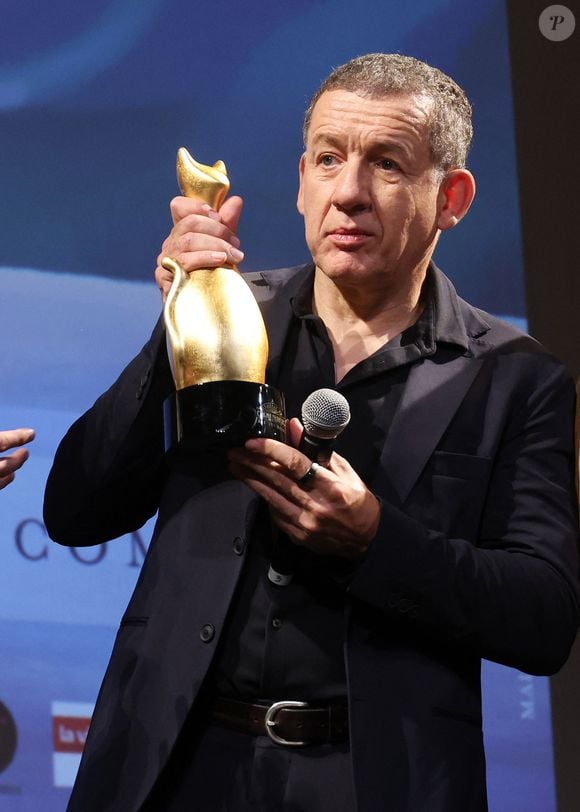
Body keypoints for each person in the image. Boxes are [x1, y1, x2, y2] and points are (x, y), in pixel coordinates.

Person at [43, 54, 579, 812]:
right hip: (172, 770)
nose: (350, 192)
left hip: (372, 782)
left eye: (387, 164)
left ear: (450, 197)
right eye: (330, 158)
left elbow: (544, 617)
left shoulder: (517, 378)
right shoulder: (229, 317)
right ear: (301, 180)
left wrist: (374, 540)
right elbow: (74, 511)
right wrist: (175, 332)